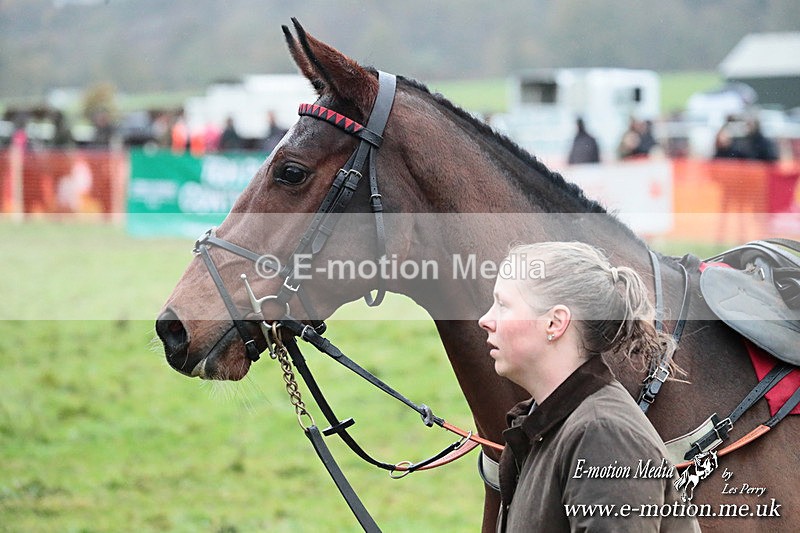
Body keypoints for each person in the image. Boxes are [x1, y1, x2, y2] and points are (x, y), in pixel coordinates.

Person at [478, 242, 699, 533]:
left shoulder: (604, 437)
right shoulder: (548, 425)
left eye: (503, 305)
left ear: (555, 323)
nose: (485, 321)